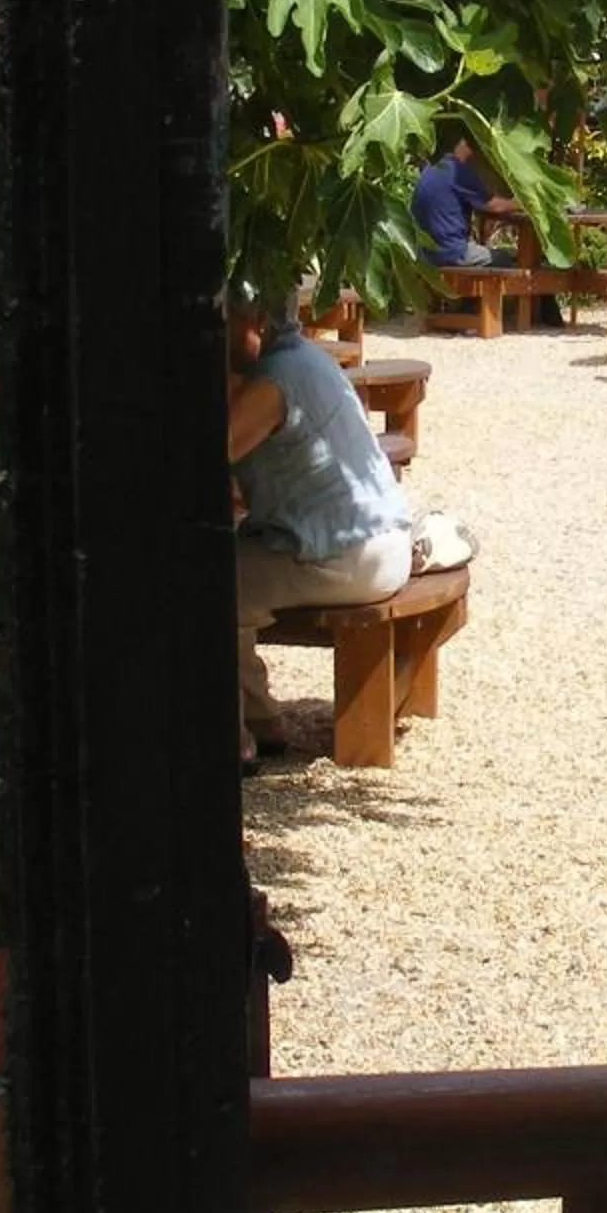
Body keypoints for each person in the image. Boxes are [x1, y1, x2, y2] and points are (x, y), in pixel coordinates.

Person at [228, 289, 411, 767]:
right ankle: (260, 717)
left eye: (225, 319)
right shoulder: (306, 359)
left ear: (259, 322)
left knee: (198, 579)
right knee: (231, 568)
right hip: (380, 542)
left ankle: (230, 733)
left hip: (348, 554)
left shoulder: (275, 380)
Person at [410, 130, 521, 266]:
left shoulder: (431, 168)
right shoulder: (457, 170)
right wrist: (525, 204)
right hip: (452, 252)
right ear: (463, 144)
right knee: (505, 258)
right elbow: (495, 206)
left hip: (425, 253)